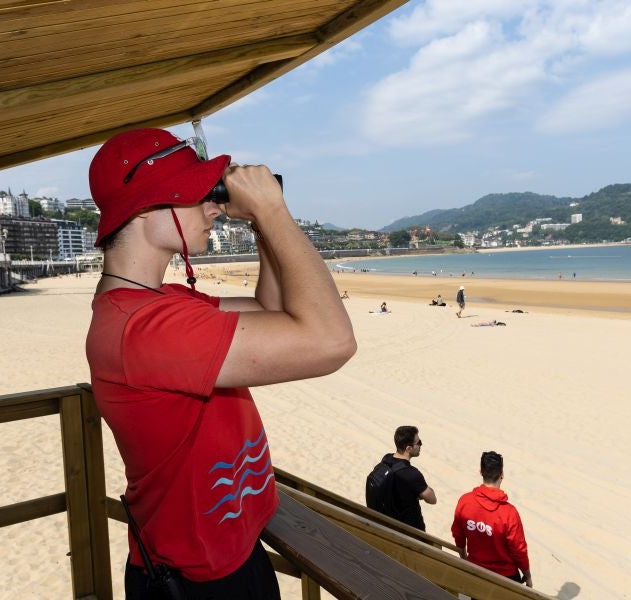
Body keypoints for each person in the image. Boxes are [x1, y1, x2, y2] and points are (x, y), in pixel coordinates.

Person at [85, 127, 356, 599]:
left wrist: (259, 224)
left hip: (228, 551)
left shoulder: (154, 306)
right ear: (149, 211)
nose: (213, 207)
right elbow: (331, 341)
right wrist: (273, 211)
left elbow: (274, 310)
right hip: (200, 581)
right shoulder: (145, 330)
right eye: (198, 196)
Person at [451, 451, 531, 588]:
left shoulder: (465, 501)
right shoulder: (509, 512)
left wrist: (463, 555)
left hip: (475, 570)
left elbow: (458, 533)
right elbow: (519, 549)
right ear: (502, 475)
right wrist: (527, 574)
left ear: (481, 472)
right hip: (505, 576)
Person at [371, 426, 436, 530]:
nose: (420, 445)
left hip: (385, 524)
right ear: (408, 449)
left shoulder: (386, 459)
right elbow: (432, 499)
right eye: (418, 443)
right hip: (409, 533)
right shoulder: (412, 474)